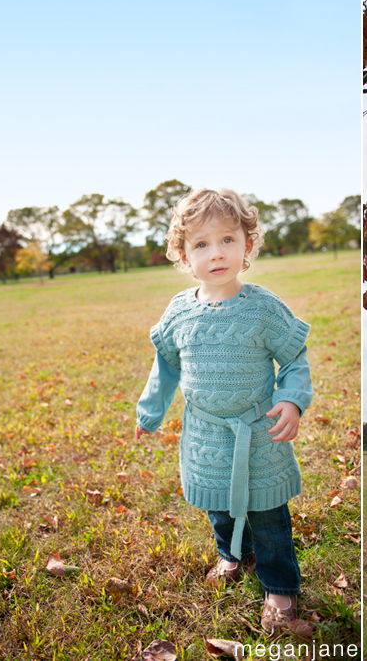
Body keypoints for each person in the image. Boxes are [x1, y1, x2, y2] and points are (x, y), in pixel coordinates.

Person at [134, 188, 313, 634]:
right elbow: (166, 368)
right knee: (220, 506)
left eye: (227, 240)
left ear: (247, 245)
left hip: (258, 430)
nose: (216, 253)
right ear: (183, 254)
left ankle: (279, 589)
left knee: (269, 515)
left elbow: (294, 358)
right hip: (206, 432)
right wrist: (149, 413)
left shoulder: (263, 307)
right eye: (201, 244)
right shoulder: (179, 313)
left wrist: (290, 399)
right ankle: (233, 554)